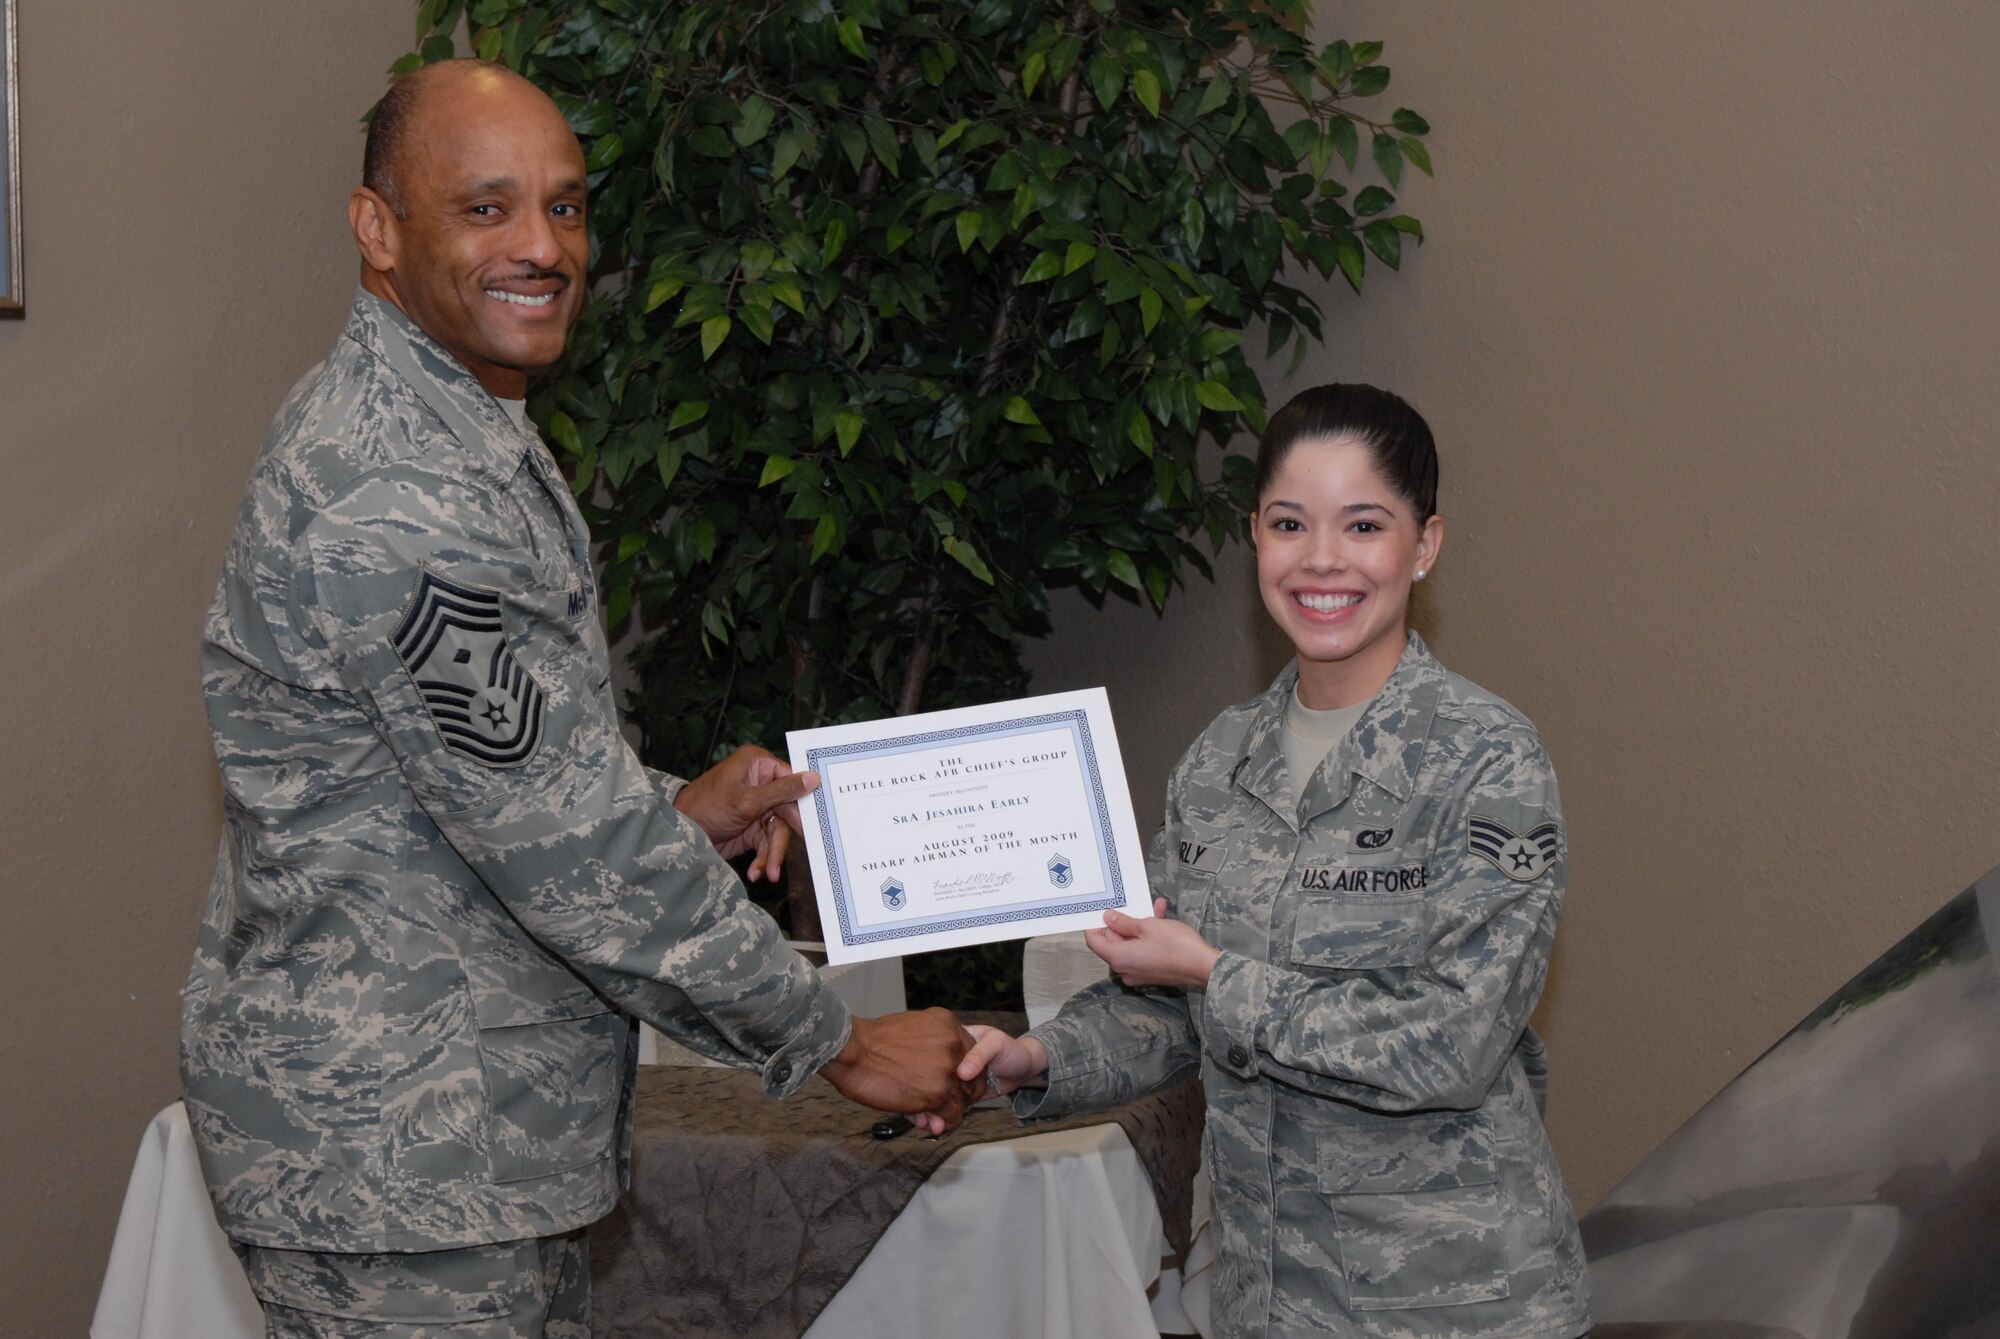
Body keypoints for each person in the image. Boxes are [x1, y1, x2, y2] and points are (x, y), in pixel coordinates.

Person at [182, 59, 978, 1338]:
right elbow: (568, 852)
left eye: (566, 206)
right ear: (378, 230)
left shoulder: (456, 424)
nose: (543, 247)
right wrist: (836, 1041)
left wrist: (674, 808)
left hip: (465, 1150)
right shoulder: (402, 487)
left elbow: (495, 781)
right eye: (487, 209)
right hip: (409, 1171)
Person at [956, 385, 1594, 1339]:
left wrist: (1216, 972)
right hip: (1266, 1303)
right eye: (1290, 523)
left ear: (1424, 544)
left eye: (1365, 524)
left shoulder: (1485, 758)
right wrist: (1043, 1056)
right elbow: (1168, 1006)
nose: (1323, 559)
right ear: (1255, 534)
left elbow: (1453, 1040)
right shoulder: (1218, 760)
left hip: (1455, 1307)